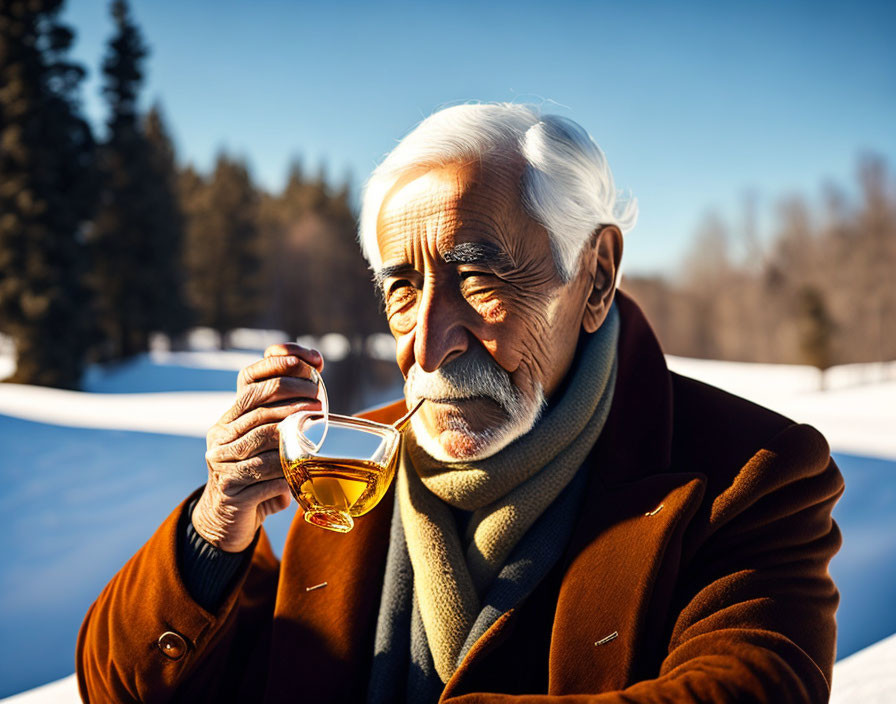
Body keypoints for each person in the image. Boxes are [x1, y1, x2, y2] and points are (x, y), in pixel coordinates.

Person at [77, 104, 844, 703]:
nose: (429, 342)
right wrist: (216, 529)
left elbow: (755, 689)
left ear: (598, 275)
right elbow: (121, 689)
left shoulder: (749, 474)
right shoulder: (345, 473)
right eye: (403, 290)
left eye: (479, 276)